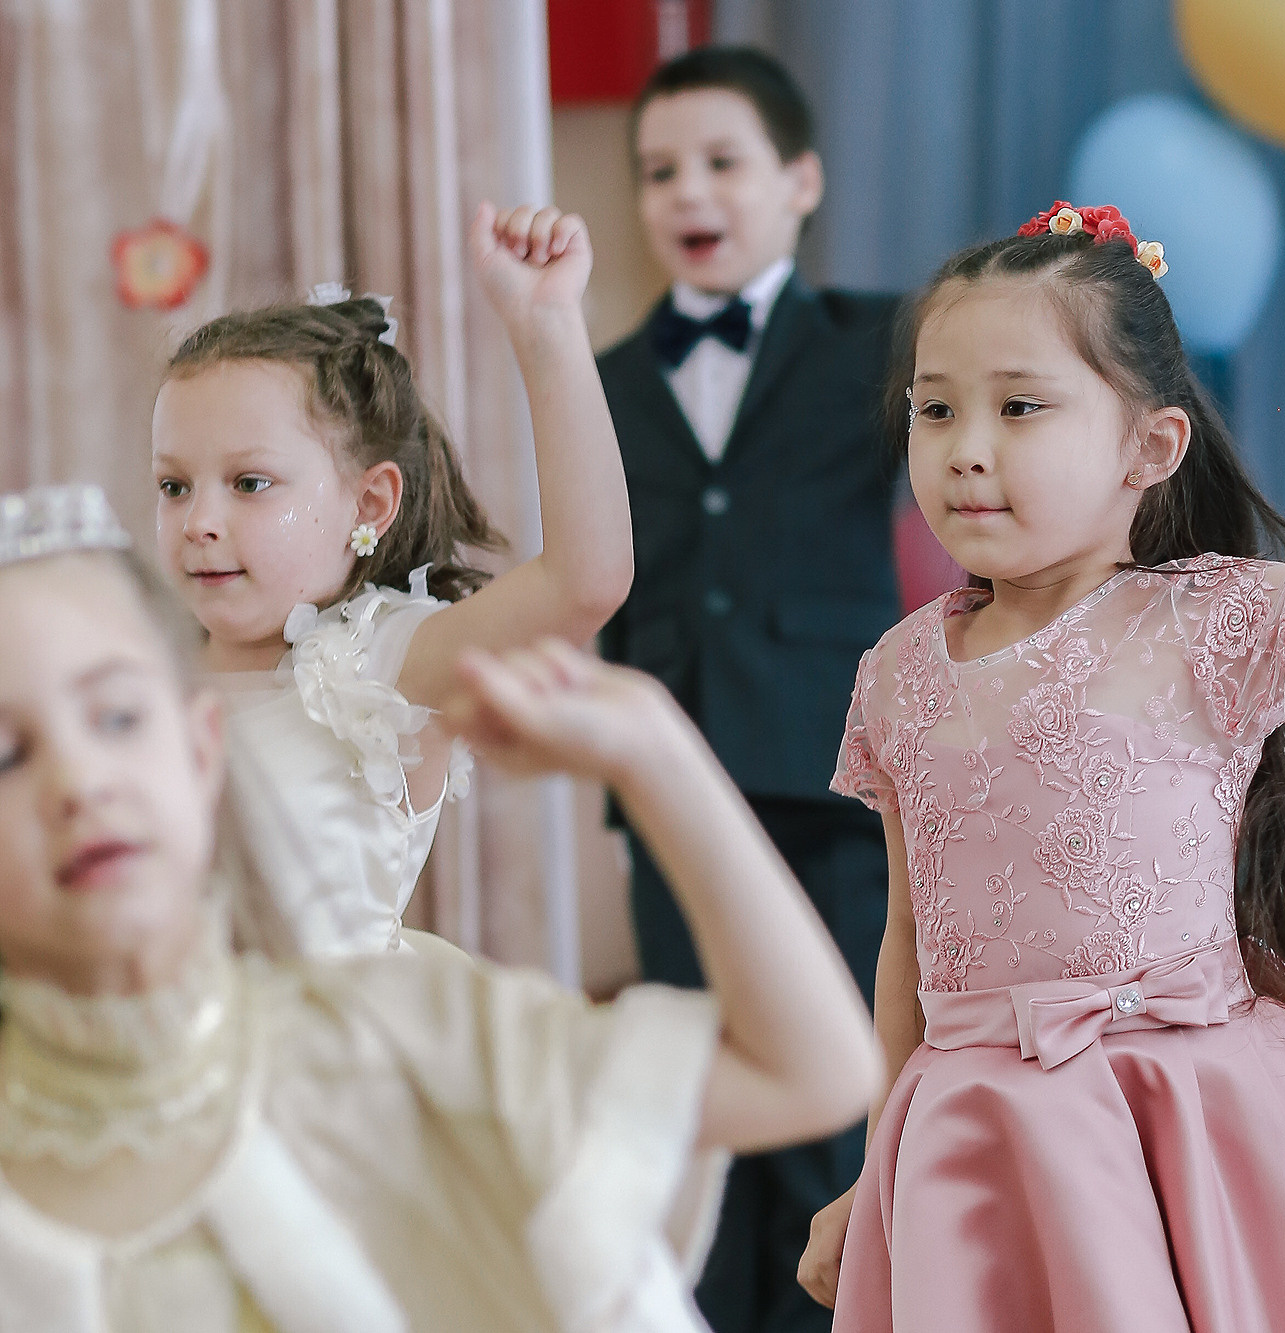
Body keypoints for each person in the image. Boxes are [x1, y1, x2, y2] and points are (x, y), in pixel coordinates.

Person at [790, 193, 1285, 1332]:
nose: (966, 449)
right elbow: (909, 941)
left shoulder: (1211, 625)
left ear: (1151, 445)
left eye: (1020, 407)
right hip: (972, 1147)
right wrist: (869, 1167)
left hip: (1188, 1126)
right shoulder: (894, 671)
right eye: (933, 409)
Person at [0, 483, 879, 1330]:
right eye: (7, 755)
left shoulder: (392, 1039)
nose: (80, 784)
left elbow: (811, 1069)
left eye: (116, 718)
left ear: (199, 753)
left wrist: (656, 752)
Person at [591, 46, 934, 1333]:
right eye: (659, 170)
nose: (691, 190)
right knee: (694, 1096)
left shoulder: (879, 338)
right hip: (675, 781)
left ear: (798, 181)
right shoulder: (609, 377)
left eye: (722, 162)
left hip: (828, 778)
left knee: (828, 1093)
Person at [150, 204, 632, 956]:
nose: (197, 520)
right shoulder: (143, 667)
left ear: (368, 503)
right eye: (174, 486)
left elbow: (585, 581)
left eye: (249, 483)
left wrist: (548, 331)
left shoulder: (385, 664)